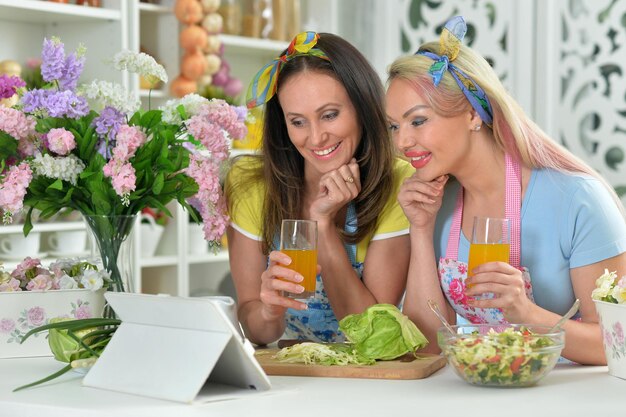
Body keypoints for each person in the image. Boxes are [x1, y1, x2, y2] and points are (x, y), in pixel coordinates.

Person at [386, 16, 626, 365]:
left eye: (418, 121)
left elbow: (617, 344)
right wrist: (421, 230)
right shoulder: (437, 203)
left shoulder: (578, 200)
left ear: (471, 114)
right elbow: (428, 346)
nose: (402, 142)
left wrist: (525, 312)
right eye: (394, 126)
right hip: (478, 391)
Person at [225, 31, 413, 345]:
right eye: (297, 121)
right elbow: (254, 328)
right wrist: (270, 311)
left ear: (362, 107)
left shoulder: (397, 182)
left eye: (329, 115)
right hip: (293, 374)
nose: (315, 138)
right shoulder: (249, 182)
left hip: (373, 378)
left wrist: (323, 224)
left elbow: (372, 335)